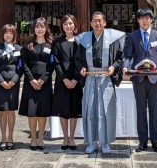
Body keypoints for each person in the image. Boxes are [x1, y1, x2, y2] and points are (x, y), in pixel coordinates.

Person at [76, 11, 125, 154]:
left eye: (100, 21)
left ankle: (105, 142)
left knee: (105, 110)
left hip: (106, 78)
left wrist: (113, 67)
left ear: (104, 22)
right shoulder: (84, 39)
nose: (97, 23)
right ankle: (92, 142)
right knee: (90, 109)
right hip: (90, 77)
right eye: (94, 21)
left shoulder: (113, 39)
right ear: (90, 23)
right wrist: (82, 68)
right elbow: (78, 59)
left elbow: (120, 58)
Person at [123, 7, 157, 153]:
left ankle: (156, 142)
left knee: (155, 111)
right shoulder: (132, 36)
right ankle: (142, 142)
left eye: (148, 17)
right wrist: (125, 67)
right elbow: (128, 56)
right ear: (138, 20)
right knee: (141, 111)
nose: (145, 20)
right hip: (138, 80)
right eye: (142, 18)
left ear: (151, 19)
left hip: (155, 79)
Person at [19, 17, 54, 151]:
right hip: (30, 82)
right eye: (37, 26)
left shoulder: (51, 44)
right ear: (34, 28)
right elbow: (24, 64)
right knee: (32, 112)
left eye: (42, 26)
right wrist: (31, 79)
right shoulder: (28, 45)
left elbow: (52, 64)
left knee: (43, 112)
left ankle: (40, 138)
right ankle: (33, 138)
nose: (40, 29)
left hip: (45, 82)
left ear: (46, 28)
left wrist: (44, 79)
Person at [0, 24, 22, 151]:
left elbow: (21, 67)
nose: (9, 35)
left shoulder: (19, 49)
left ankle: (11, 137)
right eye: (6, 32)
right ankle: (3, 138)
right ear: (2, 34)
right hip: (0, 83)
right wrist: (1, 81)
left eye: (11, 32)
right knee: (3, 110)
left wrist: (14, 80)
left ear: (14, 34)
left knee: (11, 110)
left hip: (14, 83)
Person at [52, 15, 82, 150]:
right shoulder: (57, 42)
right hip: (61, 81)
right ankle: (65, 138)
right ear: (62, 26)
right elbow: (56, 62)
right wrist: (64, 78)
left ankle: (72, 137)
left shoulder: (80, 41)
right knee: (64, 110)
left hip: (76, 81)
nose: (68, 26)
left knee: (74, 110)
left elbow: (82, 62)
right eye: (65, 24)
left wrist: (75, 79)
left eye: (70, 23)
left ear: (75, 25)